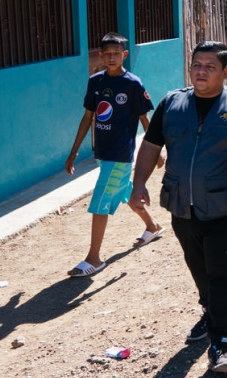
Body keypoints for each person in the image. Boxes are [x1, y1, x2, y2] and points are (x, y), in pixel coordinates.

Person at [129, 41, 227, 373]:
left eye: (209, 67)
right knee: (199, 270)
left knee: (223, 275)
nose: (200, 71)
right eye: (196, 64)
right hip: (183, 207)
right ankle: (210, 312)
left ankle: (221, 342)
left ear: (225, 72)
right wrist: (139, 184)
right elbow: (151, 146)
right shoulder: (171, 104)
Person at [64, 32, 164, 277]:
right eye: (107, 53)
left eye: (116, 54)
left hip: (121, 153)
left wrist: (156, 150)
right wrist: (74, 151)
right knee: (125, 191)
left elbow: (144, 119)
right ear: (100, 55)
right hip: (103, 152)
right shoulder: (96, 81)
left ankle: (94, 259)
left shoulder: (133, 84)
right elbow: (88, 117)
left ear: (124, 55)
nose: (111, 57)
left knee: (100, 202)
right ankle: (152, 227)